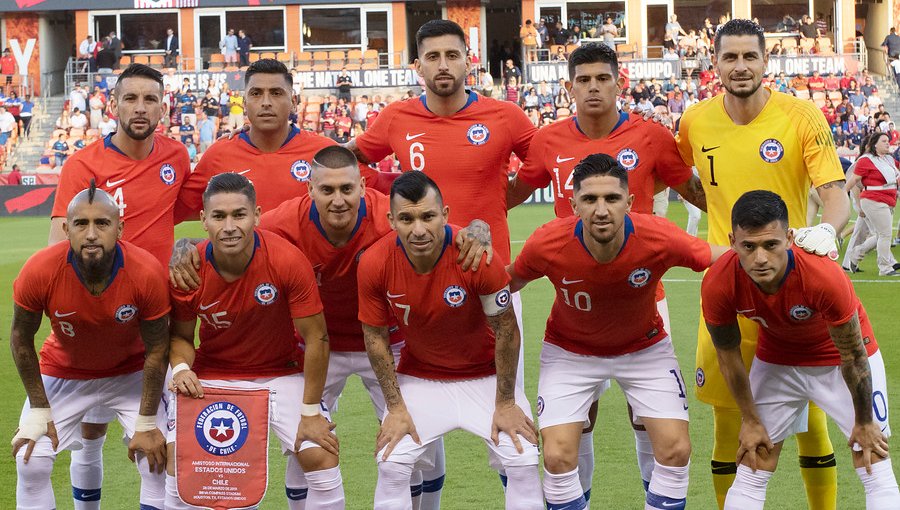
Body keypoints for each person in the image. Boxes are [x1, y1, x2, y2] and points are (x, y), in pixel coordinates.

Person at [170, 145, 491, 507]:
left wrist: (478, 228)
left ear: (362, 185)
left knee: (417, 442)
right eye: (327, 190)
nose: (338, 200)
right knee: (306, 445)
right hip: (316, 345)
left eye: (346, 190)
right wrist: (185, 246)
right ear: (309, 189)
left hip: (388, 340)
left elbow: (441, 228)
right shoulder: (284, 222)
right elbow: (232, 235)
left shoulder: (389, 213)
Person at [507, 42, 706, 499]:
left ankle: (650, 493)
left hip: (643, 297)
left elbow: (691, 189)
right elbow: (514, 193)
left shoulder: (652, 137)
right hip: (575, 297)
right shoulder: (548, 139)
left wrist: (749, 224)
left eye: (602, 79)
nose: (593, 88)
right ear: (569, 86)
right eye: (584, 80)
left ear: (620, 82)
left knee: (647, 418)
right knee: (580, 421)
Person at [675, 19, 850, 510]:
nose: (740, 66)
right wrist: (712, 212)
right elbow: (682, 176)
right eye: (729, 57)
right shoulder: (694, 120)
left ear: (765, 62)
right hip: (726, 290)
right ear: (714, 64)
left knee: (811, 426)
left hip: (790, 289)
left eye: (749, 56)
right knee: (729, 424)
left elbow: (835, 200)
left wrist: (825, 232)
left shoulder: (801, 116)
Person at [509, 154, 728, 510]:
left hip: (644, 349)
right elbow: (507, 280)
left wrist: (779, 248)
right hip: (570, 352)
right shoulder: (547, 242)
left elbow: (719, 256)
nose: (601, 209)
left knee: (676, 449)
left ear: (629, 202)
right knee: (557, 457)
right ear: (573, 204)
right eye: (590, 199)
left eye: (611, 199)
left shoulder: (658, 235)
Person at [48, 64, 191, 509]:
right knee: (89, 434)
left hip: (150, 322)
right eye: (131, 98)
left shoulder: (176, 157)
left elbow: (194, 210)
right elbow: (58, 246)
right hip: (94, 321)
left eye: (150, 99)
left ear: (164, 107)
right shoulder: (83, 164)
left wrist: (185, 242)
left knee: (157, 445)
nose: (141, 107)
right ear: (113, 105)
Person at [703, 190, 900, 509]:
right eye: (748, 247)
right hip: (778, 361)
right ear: (732, 241)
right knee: (754, 461)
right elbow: (728, 358)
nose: (760, 258)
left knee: (872, 459)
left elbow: (852, 355)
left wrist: (864, 422)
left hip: (840, 362)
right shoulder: (719, 282)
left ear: (790, 238)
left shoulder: (821, 275)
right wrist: (751, 420)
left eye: (771, 244)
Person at [358, 171, 543, 510]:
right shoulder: (375, 262)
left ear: (444, 214)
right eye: (407, 218)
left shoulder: (477, 258)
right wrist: (396, 407)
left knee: (523, 461)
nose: (418, 229)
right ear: (391, 220)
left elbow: (506, 329)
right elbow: (375, 337)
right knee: (392, 463)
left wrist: (505, 402)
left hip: (487, 377)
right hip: (421, 378)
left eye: (428, 216)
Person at [165, 172, 344, 509]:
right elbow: (181, 336)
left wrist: (310, 412)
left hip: (281, 372)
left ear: (257, 215)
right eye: (219, 216)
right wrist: (181, 369)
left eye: (239, 215)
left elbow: (316, 337)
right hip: (214, 375)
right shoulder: (189, 268)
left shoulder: (286, 260)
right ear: (204, 220)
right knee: (180, 461)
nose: (230, 226)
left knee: (320, 454)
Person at [11, 184, 170, 510]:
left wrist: (146, 424)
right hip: (64, 371)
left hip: (131, 372)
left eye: (103, 223)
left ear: (120, 228)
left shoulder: (146, 271)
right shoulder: (40, 270)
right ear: (66, 229)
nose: (92, 233)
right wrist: (39, 409)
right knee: (31, 460)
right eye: (81, 224)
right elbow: (20, 338)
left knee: (157, 458)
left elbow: (158, 347)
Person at [176, 60, 395, 224]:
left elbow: (389, 189)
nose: (266, 102)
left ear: (293, 102)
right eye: (256, 94)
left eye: (276, 93)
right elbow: (170, 210)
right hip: (243, 282)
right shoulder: (219, 154)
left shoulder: (323, 151)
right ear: (244, 103)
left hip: (308, 281)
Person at [844, 132, 900, 275]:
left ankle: (856, 253)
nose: (888, 143)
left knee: (882, 234)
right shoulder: (865, 160)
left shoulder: (889, 159)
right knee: (885, 234)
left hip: (887, 201)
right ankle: (885, 268)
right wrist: (842, 193)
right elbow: (854, 180)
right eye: (884, 141)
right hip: (873, 200)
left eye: (888, 141)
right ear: (875, 144)